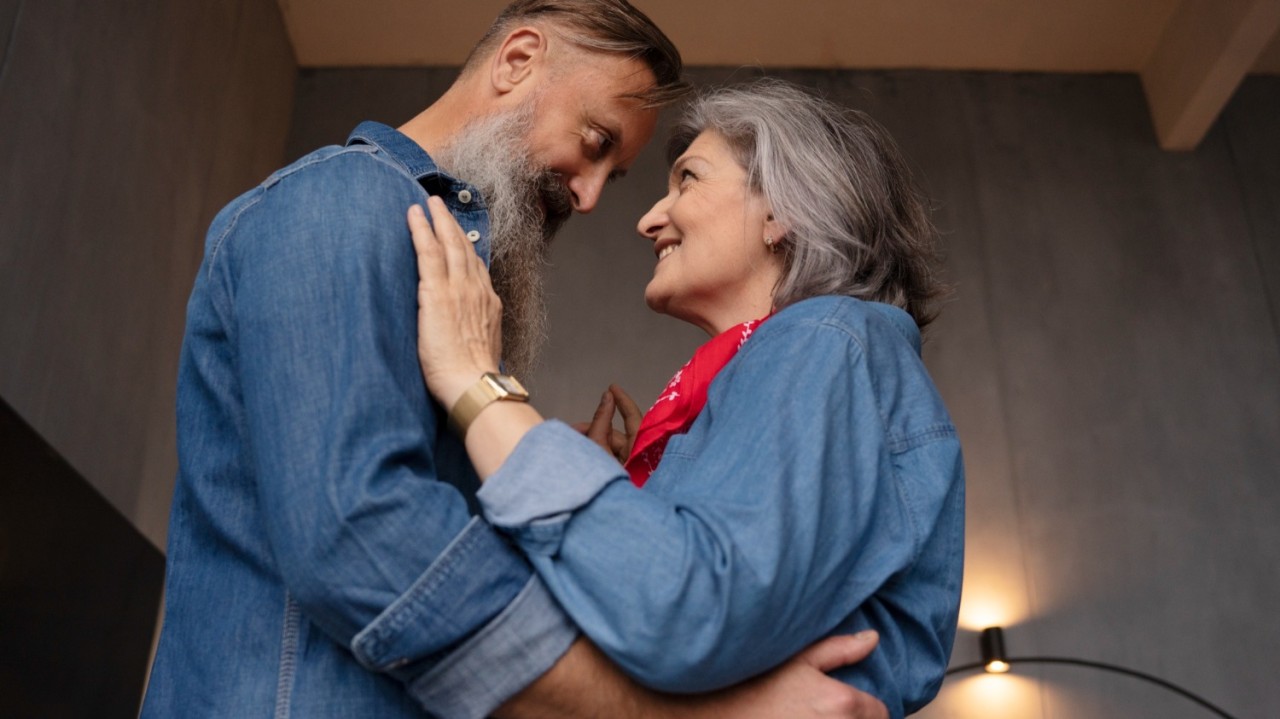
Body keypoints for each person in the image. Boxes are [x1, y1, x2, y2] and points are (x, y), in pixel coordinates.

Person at [142, 2, 890, 718]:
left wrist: (564, 500)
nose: (589, 198)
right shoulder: (339, 202)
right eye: (595, 142)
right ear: (518, 61)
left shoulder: (434, 258)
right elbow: (362, 536)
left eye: (612, 174)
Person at [409, 79, 965, 719]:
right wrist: (626, 501)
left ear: (782, 211)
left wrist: (478, 386)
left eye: (688, 180)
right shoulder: (788, 367)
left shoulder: (824, 336)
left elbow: (690, 611)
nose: (648, 219)